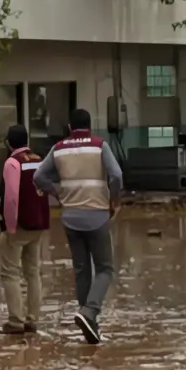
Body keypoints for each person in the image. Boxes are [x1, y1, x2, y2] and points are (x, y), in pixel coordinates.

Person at [34, 109, 124, 344]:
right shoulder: (99, 145)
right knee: (105, 269)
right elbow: (116, 175)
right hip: (97, 215)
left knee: (81, 270)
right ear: (90, 125)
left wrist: (58, 193)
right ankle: (89, 311)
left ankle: (88, 322)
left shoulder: (58, 148)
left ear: (69, 127)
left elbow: (39, 177)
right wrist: (114, 200)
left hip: (70, 217)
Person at [0, 124, 49, 335]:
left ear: (8, 143)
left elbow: (10, 197)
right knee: (33, 272)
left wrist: (9, 226)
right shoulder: (39, 160)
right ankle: (32, 319)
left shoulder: (12, 163)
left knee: (10, 272)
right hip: (38, 224)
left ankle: (16, 321)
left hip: (19, 225)